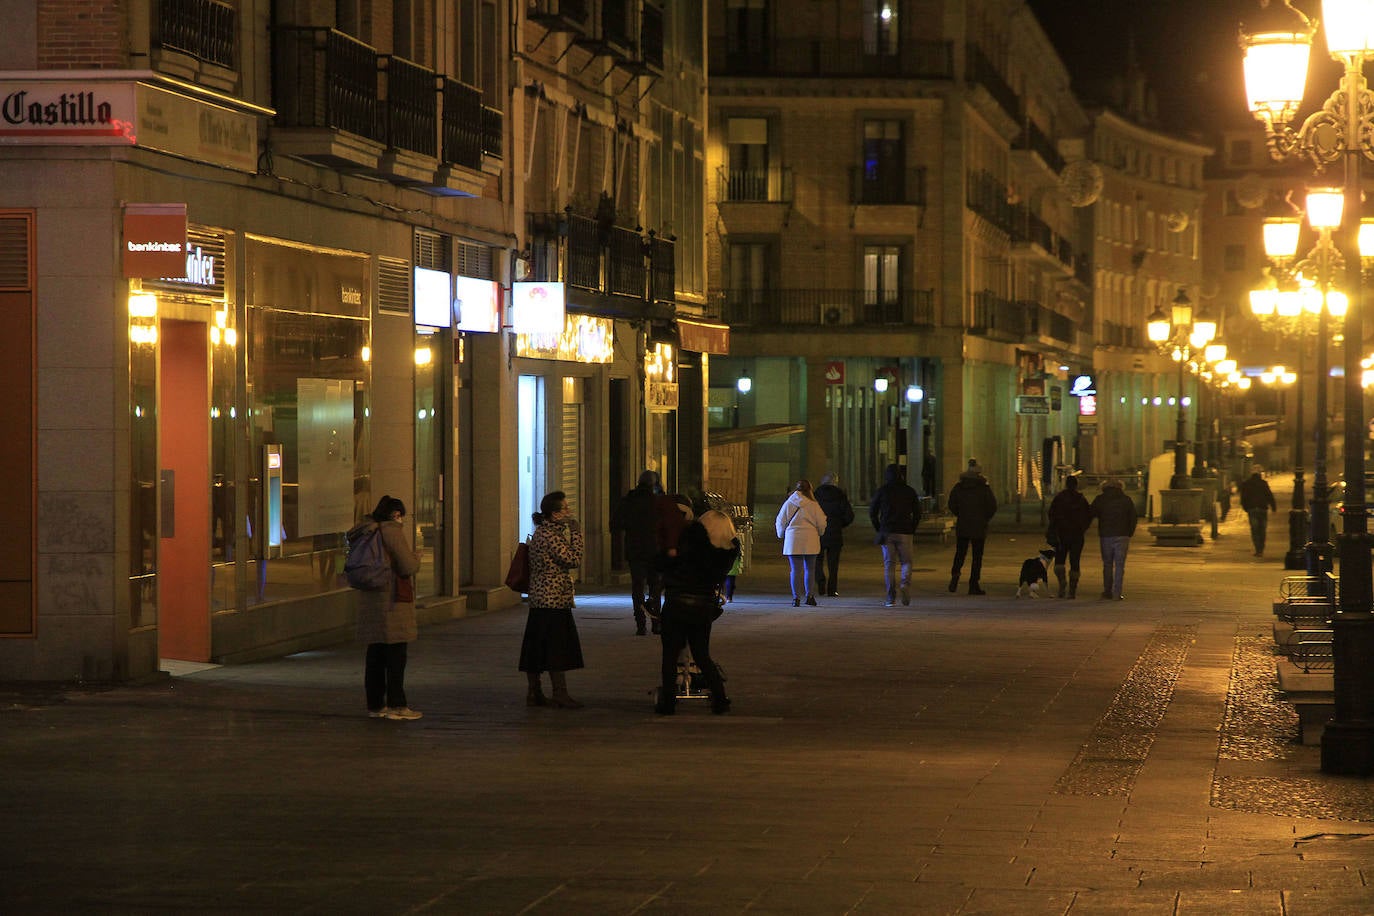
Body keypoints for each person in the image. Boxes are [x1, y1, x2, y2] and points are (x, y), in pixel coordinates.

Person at [655, 509, 741, 715]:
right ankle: (720, 699)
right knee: (702, 655)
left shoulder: (689, 543)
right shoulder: (725, 554)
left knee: (670, 654)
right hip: (703, 606)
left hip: (677, 602)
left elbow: (664, 565)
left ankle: (668, 702)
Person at [352, 495, 423, 720]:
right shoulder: (391, 531)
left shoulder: (365, 530)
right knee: (396, 656)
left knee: (375, 655)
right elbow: (407, 566)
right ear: (395, 515)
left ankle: (375, 705)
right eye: (401, 515)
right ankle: (397, 705)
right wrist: (416, 558)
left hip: (372, 600)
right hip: (392, 602)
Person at [519, 491, 586, 708]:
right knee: (557, 646)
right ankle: (559, 692)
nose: (568, 512)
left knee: (536, 645)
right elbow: (572, 559)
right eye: (565, 508)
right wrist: (577, 534)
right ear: (555, 514)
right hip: (553, 598)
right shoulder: (551, 535)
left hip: (540, 598)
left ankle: (534, 691)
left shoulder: (542, 532)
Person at [610, 469, 664, 635]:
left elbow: (615, 524)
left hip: (635, 550)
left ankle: (640, 624)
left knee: (637, 587)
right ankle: (656, 622)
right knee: (655, 587)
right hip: (655, 550)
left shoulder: (629, 500)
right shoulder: (659, 502)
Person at [869, 463, 921, 607]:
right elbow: (917, 512)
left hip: (887, 531)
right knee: (907, 562)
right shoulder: (909, 491)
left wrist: (879, 528)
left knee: (889, 565)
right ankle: (904, 584)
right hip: (905, 531)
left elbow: (872, 512)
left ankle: (890, 597)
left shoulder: (882, 491)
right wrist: (912, 527)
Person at [947, 462, 998, 595]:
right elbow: (992, 506)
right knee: (977, 556)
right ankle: (973, 584)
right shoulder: (984, 488)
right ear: (978, 474)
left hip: (963, 524)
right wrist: (984, 517)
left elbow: (951, 504)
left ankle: (955, 574)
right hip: (979, 526)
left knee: (960, 553)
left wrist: (961, 514)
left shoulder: (959, 487)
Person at [775, 480, 828, 607]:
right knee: (810, 569)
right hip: (810, 538)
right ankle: (809, 596)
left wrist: (781, 534)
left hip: (793, 538)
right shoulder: (814, 505)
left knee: (795, 570)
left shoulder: (789, 503)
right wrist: (820, 532)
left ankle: (796, 598)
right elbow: (821, 522)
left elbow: (780, 520)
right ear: (810, 489)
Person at [1090, 478, 1138, 600]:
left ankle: (1107, 591)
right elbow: (1133, 518)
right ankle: (1117, 593)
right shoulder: (1126, 500)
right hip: (1122, 535)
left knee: (1107, 564)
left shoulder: (1100, 499)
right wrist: (1129, 533)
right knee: (1120, 565)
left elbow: (1091, 513)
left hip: (1106, 535)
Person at [1047, 474, 1093, 598]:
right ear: (1076, 485)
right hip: (1077, 535)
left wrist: (1055, 528)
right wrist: (1082, 529)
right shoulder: (1081, 500)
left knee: (1060, 560)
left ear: (1066, 484)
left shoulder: (1059, 498)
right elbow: (1088, 517)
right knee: (1075, 561)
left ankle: (1062, 582)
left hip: (1061, 534)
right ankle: (1073, 589)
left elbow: (1051, 514)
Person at [813, 472, 856, 598]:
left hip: (818, 533)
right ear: (834, 482)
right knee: (833, 563)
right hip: (835, 533)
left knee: (817, 560)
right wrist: (840, 524)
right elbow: (849, 516)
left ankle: (820, 581)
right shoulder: (840, 495)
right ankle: (832, 589)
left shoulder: (815, 495)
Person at [1239, 468, 1277, 557]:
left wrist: (1245, 507)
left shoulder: (1246, 484)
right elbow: (1269, 495)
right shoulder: (1263, 483)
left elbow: (1243, 497)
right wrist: (1273, 506)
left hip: (1252, 509)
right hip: (1262, 508)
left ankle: (1257, 548)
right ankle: (1261, 548)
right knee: (1262, 529)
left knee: (1254, 529)